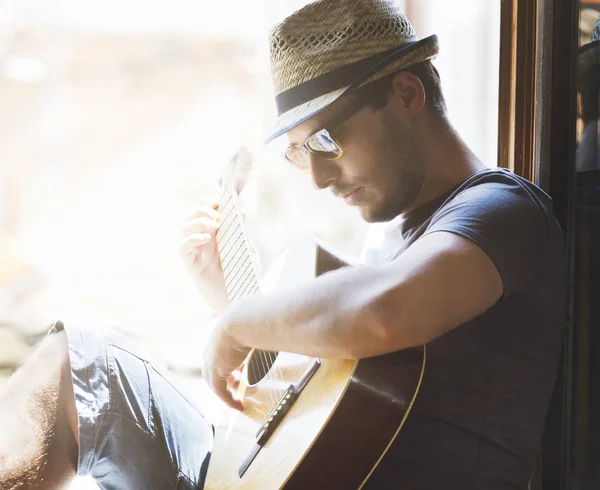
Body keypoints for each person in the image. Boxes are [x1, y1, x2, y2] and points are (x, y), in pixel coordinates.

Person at [0, 0, 568, 489]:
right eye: (300, 153)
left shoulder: (498, 210)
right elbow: (330, 414)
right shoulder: (395, 237)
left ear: (406, 94)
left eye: (326, 138)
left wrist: (240, 324)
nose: (319, 178)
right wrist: (231, 303)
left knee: (85, 364)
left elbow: (381, 316)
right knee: (79, 365)